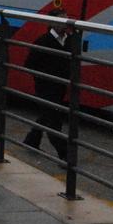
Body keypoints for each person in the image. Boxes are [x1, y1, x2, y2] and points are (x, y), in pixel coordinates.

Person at [20, 9, 73, 161]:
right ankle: (65, 155)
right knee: (53, 121)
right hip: (46, 87)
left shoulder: (70, 40)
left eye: (66, 19)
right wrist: (43, 78)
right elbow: (29, 64)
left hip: (60, 86)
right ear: (52, 23)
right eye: (61, 20)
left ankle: (32, 139)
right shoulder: (43, 41)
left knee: (47, 115)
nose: (65, 23)